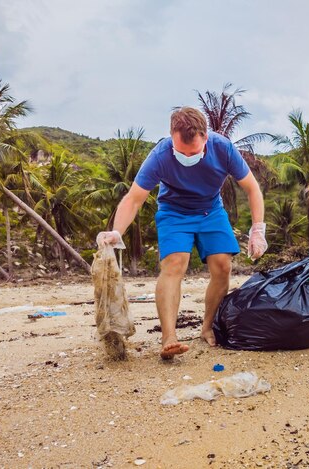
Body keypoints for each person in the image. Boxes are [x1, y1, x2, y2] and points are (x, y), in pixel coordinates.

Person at [97, 107, 267, 359]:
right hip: (174, 212)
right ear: (171, 138)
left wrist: (258, 229)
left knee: (222, 266)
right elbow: (134, 199)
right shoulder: (161, 155)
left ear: (206, 138)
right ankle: (169, 338)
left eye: (194, 152)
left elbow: (252, 188)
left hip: (211, 209)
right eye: (181, 152)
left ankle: (208, 327)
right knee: (175, 263)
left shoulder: (223, 148)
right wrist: (116, 232)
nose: (187, 156)